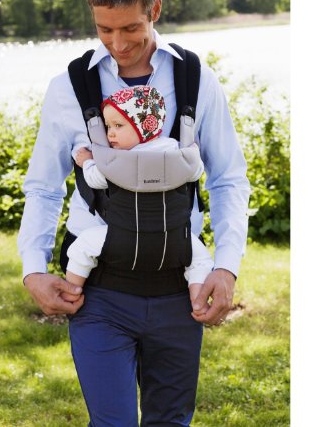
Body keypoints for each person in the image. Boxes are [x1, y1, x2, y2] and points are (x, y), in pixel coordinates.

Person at [18, 0, 250, 426]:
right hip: (100, 294)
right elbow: (43, 187)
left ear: (155, 10)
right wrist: (33, 269)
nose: (118, 44)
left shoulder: (194, 79)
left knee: (170, 422)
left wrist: (226, 266)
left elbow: (228, 178)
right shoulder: (69, 87)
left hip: (179, 292)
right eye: (104, 29)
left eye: (130, 28)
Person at [65, 85, 215, 307]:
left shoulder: (117, 160)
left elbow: (95, 180)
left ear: (143, 125)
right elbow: (195, 173)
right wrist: (193, 151)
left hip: (123, 236)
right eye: (108, 126)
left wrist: (86, 161)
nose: (110, 133)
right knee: (200, 259)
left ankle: (71, 293)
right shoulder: (176, 151)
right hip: (173, 237)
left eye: (118, 125)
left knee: (83, 246)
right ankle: (198, 302)